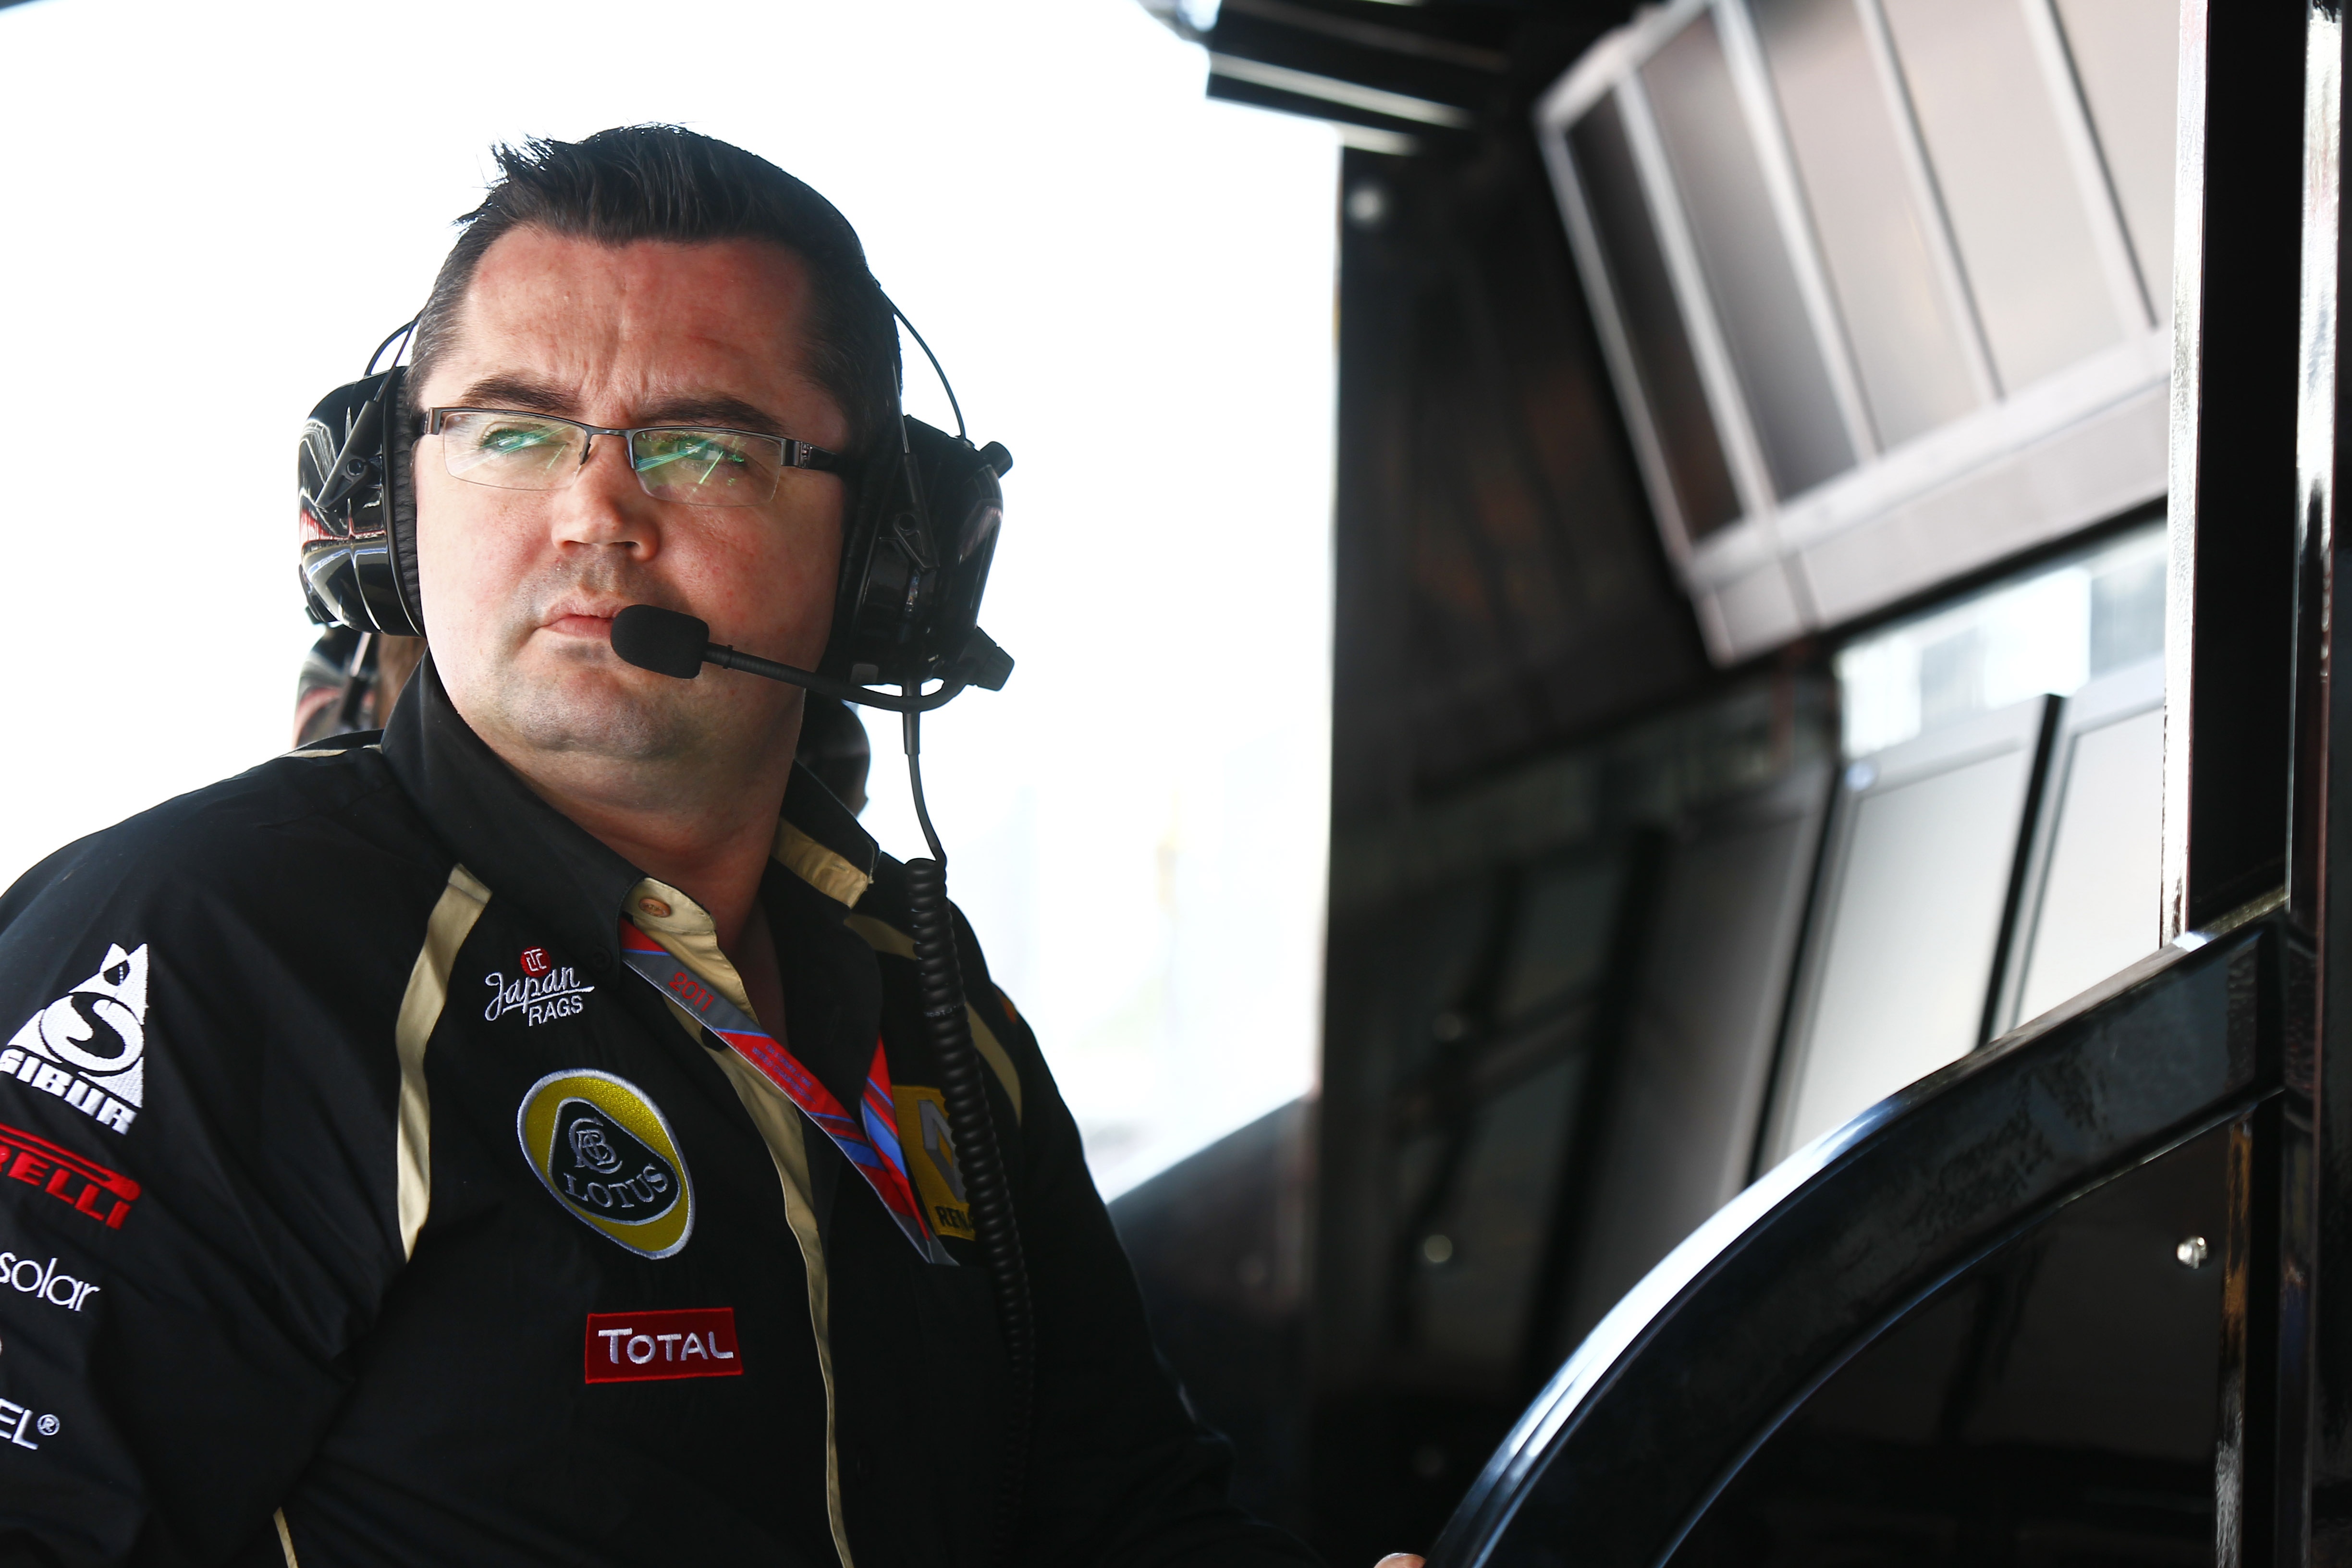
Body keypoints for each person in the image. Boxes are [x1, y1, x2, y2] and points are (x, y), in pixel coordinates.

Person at [0, 126, 1342, 1566]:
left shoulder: (922, 993)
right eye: (512, 432)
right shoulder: (212, 947)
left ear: (887, 555)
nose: (594, 513)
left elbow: (1122, 1514)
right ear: (394, 505)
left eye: (703, 446)